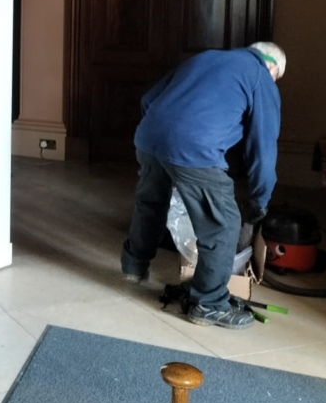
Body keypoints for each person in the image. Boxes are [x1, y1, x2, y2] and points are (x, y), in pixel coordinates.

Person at [121, 42, 286, 330]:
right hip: (193, 149)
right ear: (273, 67)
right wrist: (260, 201)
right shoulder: (261, 77)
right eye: (278, 78)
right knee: (223, 224)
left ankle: (134, 265)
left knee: (151, 202)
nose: (275, 83)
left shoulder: (206, 57)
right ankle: (210, 304)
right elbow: (263, 149)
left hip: (147, 137)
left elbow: (149, 99)